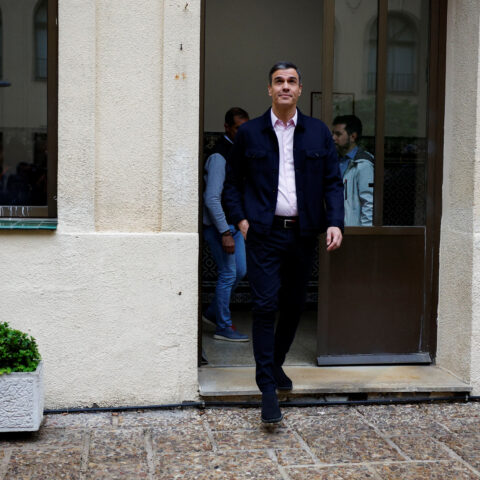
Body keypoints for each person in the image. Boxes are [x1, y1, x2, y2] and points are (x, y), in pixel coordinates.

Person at [224, 62, 344, 423]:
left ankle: (275, 364)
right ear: (269, 89)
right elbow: (231, 184)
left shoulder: (318, 132)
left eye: (291, 81)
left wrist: (334, 222)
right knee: (264, 306)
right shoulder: (250, 133)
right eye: (279, 81)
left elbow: (332, 182)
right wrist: (241, 221)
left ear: (300, 89)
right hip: (263, 233)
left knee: (293, 305)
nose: (285, 87)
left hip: (303, 233)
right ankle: (266, 388)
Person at [202, 107, 250, 342]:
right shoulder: (219, 157)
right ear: (227, 128)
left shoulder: (236, 152)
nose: (242, 133)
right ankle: (223, 325)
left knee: (240, 271)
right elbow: (211, 198)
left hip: (234, 225)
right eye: (238, 128)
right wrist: (224, 232)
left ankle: (213, 312)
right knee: (229, 273)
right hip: (220, 228)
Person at [332, 115, 374, 226]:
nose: (333, 138)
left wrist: (365, 233)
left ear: (353, 136)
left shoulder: (363, 164)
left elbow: (369, 203)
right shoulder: (335, 160)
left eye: (338, 134)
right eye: (333, 133)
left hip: (352, 230)